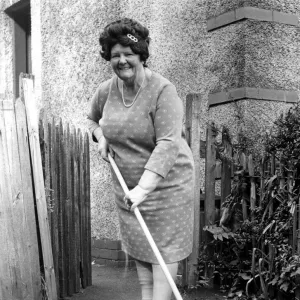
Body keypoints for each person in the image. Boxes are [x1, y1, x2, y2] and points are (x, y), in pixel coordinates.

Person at [87, 18, 194, 300]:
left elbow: (168, 144)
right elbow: (91, 120)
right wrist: (101, 135)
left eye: (128, 54)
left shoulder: (162, 90)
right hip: (128, 190)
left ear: (141, 55)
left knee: (162, 275)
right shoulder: (105, 91)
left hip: (166, 189)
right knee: (145, 277)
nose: (122, 60)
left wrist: (144, 189)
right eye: (115, 55)